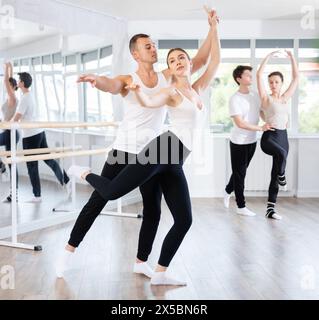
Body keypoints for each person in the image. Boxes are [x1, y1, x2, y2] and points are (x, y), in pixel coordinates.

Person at [56, 10, 218, 286]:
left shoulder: (168, 76)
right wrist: (98, 81)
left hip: (155, 152)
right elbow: (112, 85)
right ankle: (68, 252)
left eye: (154, 44)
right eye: (148, 46)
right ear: (135, 54)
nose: (153, 48)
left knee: (153, 210)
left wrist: (212, 28)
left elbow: (200, 60)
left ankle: (142, 263)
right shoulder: (128, 78)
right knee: (100, 200)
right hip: (124, 151)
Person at [12, 72, 70, 202]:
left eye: (19, 80)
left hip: (30, 136)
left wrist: (6, 124)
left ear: (22, 83)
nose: (17, 82)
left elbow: (17, 118)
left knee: (32, 166)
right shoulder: (31, 96)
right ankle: (66, 180)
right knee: (49, 159)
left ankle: (37, 195)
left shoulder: (24, 98)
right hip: (40, 132)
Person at [223, 65, 273, 216]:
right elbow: (240, 123)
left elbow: (260, 113)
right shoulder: (235, 99)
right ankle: (241, 206)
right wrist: (261, 128)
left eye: (251, 75)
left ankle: (227, 191)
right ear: (239, 79)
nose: (250, 77)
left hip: (252, 141)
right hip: (238, 142)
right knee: (240, 174)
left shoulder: (255, 95)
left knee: (240, 172)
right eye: (247, 75)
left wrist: (269, 122)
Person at [257, 50, 299, 220]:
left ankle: (270, 209)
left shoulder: (285, 98)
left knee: (274, 173)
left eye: (276, 82)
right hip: (269, 137)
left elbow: (296, 78)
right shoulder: (266, 99)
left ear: (281, 84)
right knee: (281, 157)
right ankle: (283, 176)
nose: (273, 84)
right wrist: (269, 56)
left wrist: (292, 58)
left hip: (283, 137)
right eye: (271, 82)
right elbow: (259, 74)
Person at [0, 62, 20, 202]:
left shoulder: (13, 98)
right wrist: (10, 69)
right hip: (7, 133)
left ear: (12, 87)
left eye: (7, 86)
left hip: (11, 134)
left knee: (12, 163)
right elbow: (9, 81)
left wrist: (6, 68)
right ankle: (14, 193)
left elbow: (7, 81)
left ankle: (1, 166)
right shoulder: (9, 98)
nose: (5, 87)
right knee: (12, 163)